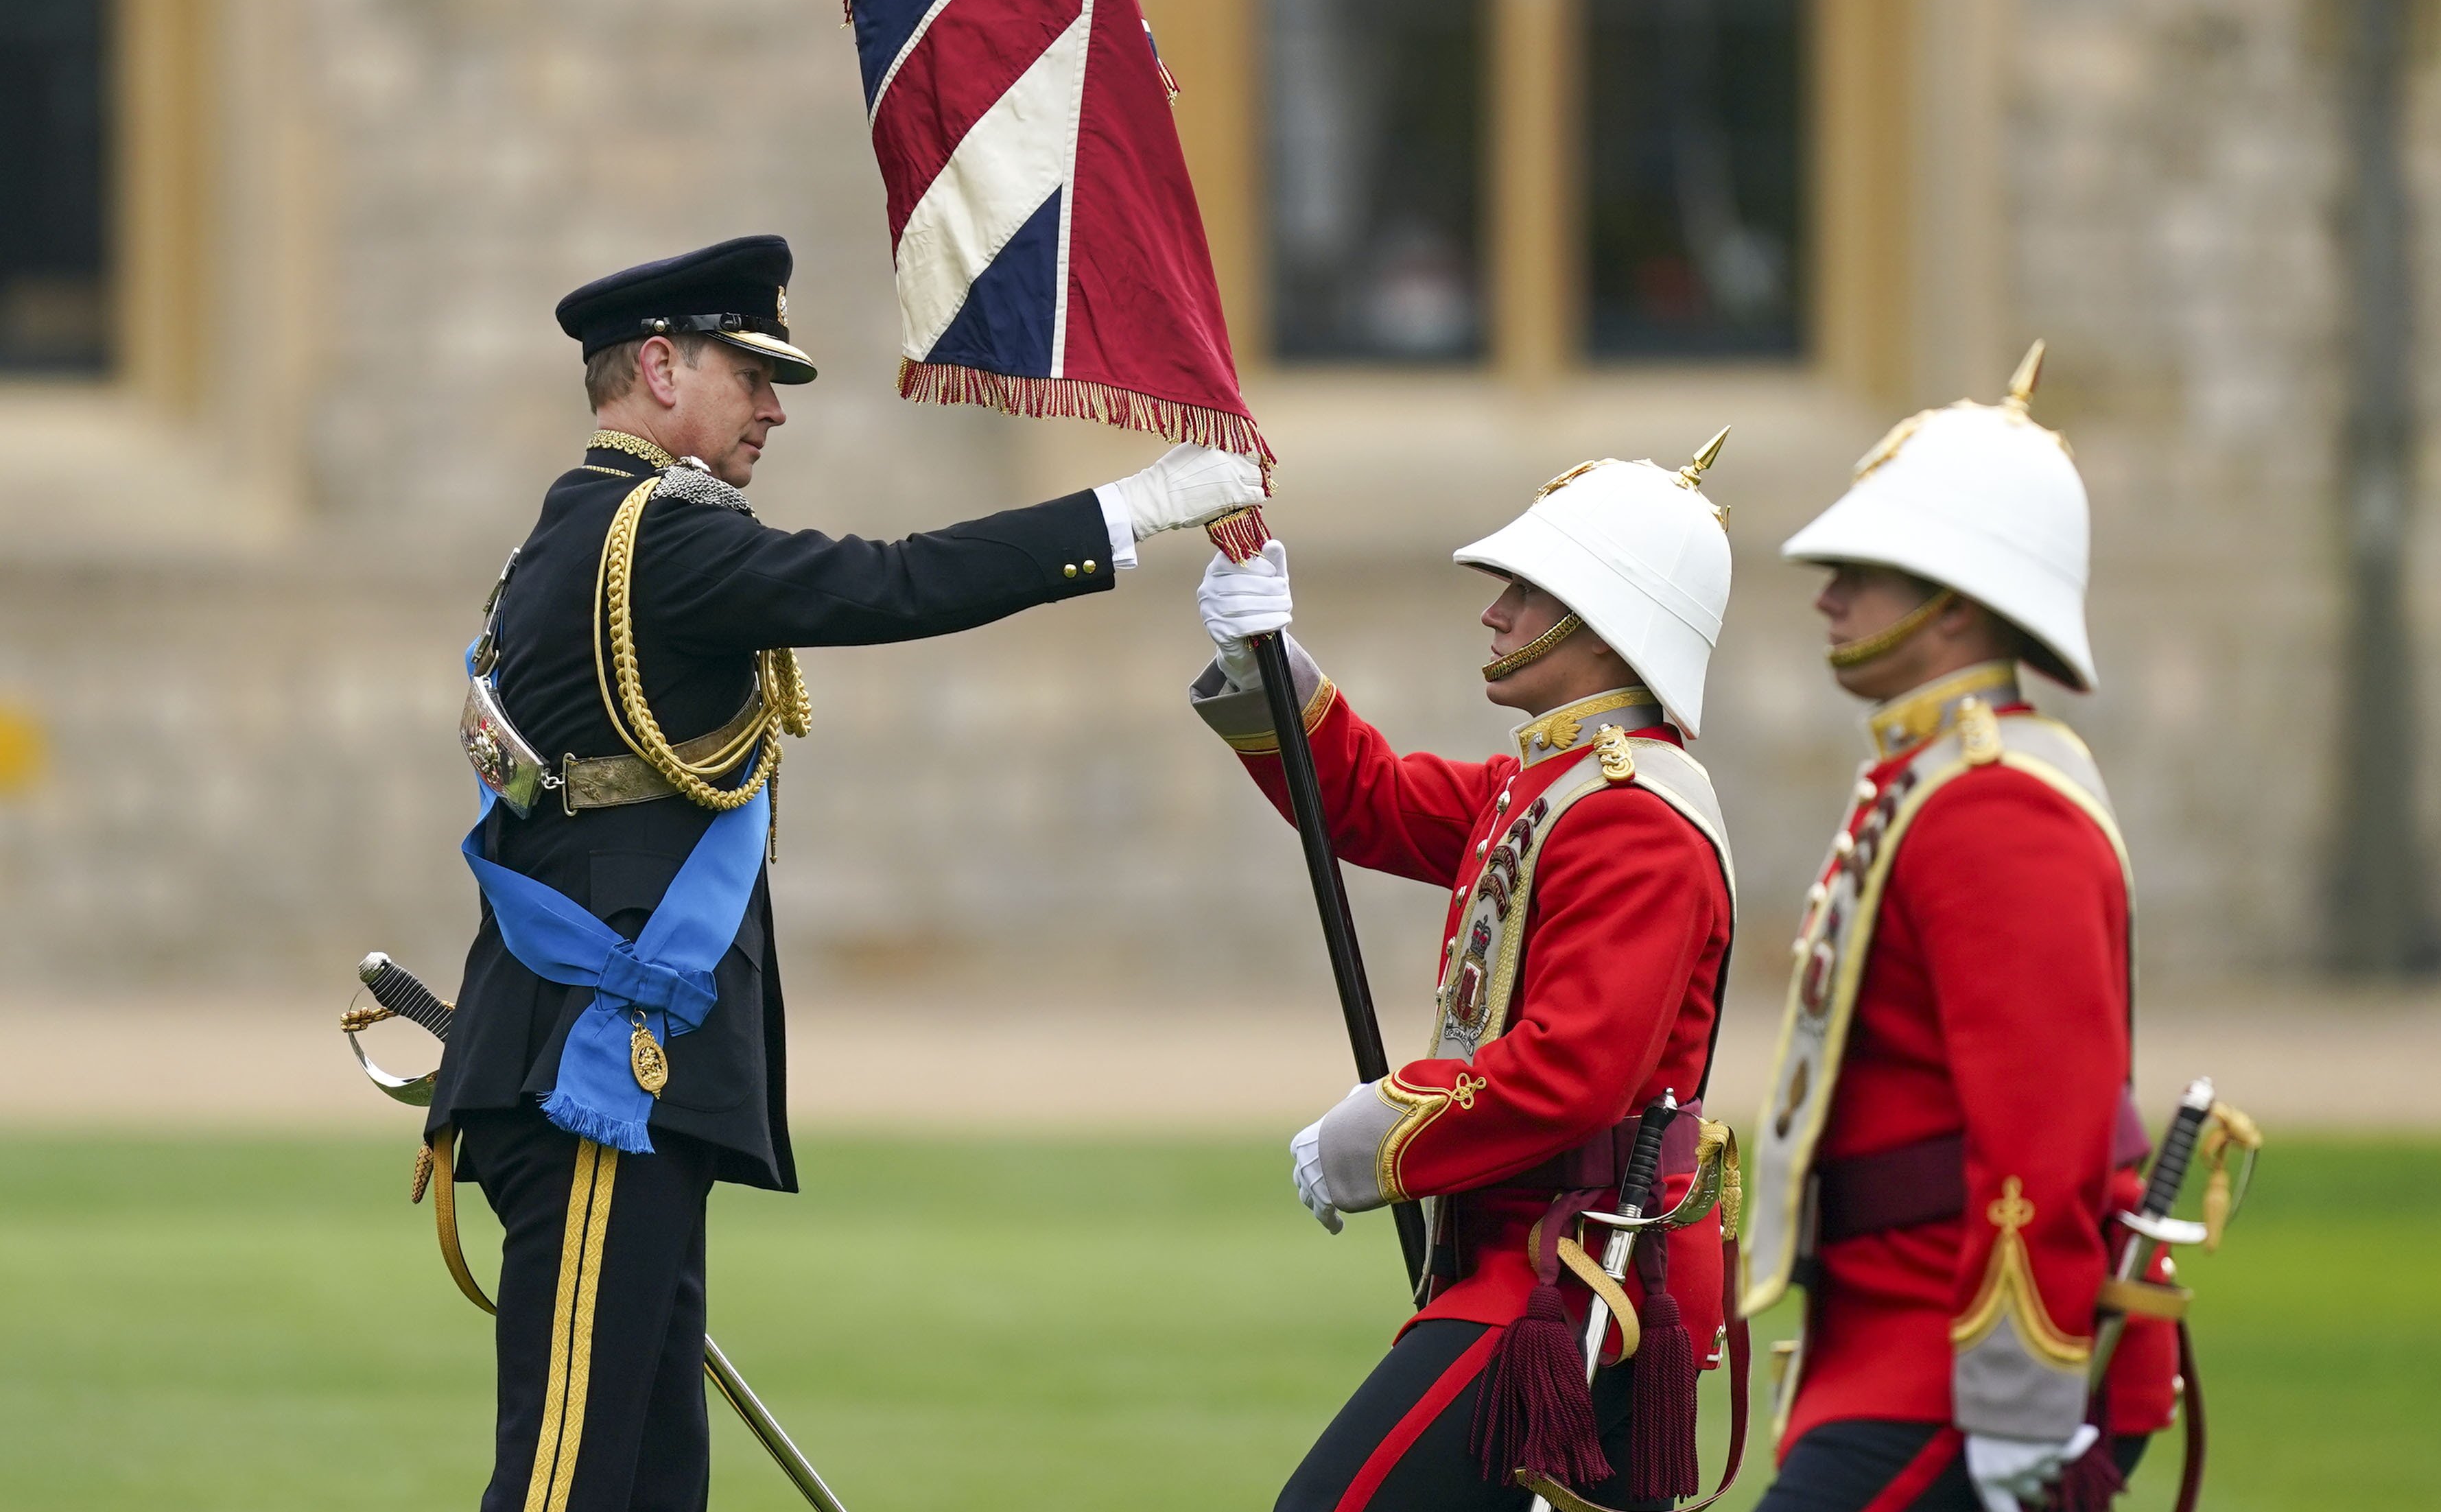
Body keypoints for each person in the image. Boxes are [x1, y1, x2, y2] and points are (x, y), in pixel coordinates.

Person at [428, 235, 1263, 1512]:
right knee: (565, 1486)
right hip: (602, 1065)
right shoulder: (657, 539)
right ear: (658, 366)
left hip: (612, 1058)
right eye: (749, 370)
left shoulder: (581, 528)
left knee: (650, 1480)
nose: (774, 406)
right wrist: (1128, 508)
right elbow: (893, 581)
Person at [1193, 442, 1743, 1512]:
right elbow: (1371, 800)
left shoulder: (1633, 819)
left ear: (1603, 614)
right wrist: (1268, 656)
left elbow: (1568, 1074)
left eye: (1527, 588)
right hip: (1518, 1254)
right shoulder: (1549, 784)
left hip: (1576, 1267)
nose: (1494, 611)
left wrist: (1378, 1133)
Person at [1741, 347, 2181, 1512]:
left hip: (1962, 1349)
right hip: (1889, 1326)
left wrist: (2019, 1386)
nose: (1830, 593)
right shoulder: (1934, 774)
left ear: (1958, 594)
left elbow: (2039, 1120)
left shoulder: (1995, 803)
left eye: (1867, 569)